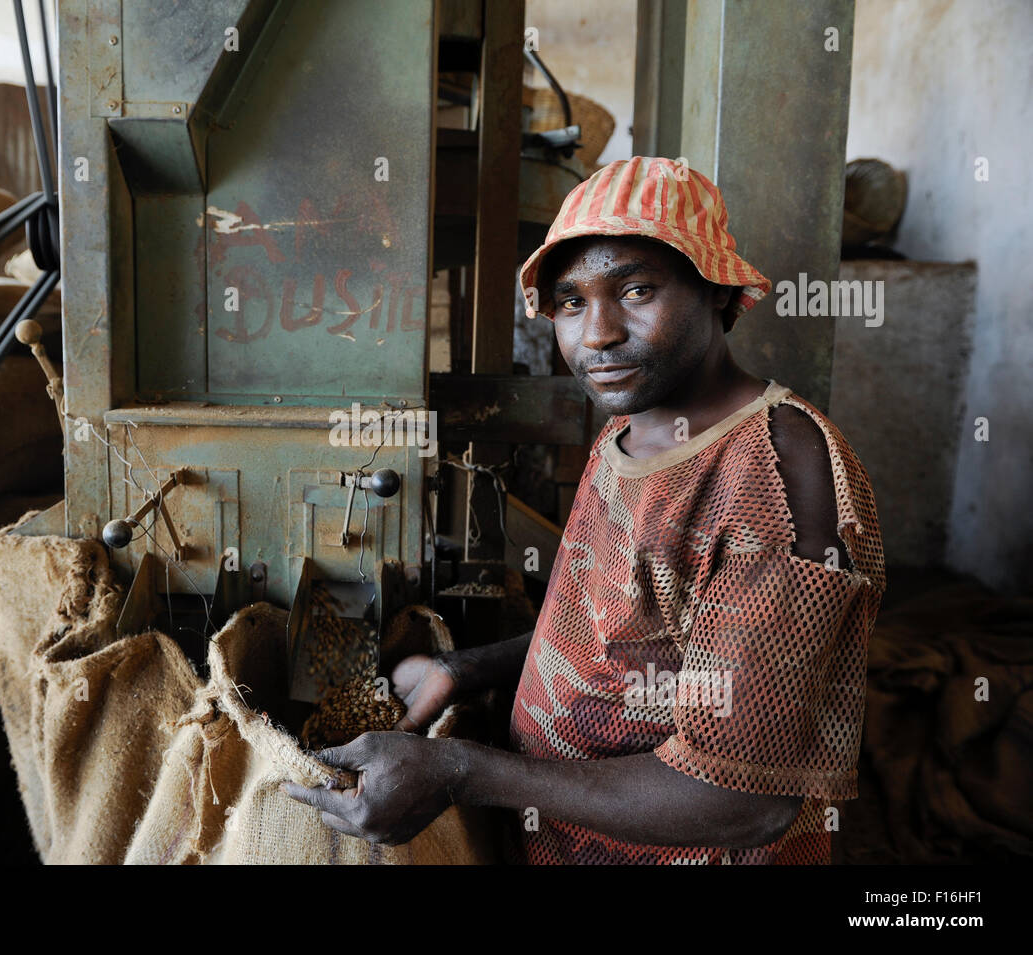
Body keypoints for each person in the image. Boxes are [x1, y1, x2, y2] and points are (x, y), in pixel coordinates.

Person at [284, 156, 886, 864]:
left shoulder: (778, 470)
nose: (596, 334)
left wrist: (459, 771)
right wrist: (463, 668)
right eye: (571, 302)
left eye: (635, 290)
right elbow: (624, 638)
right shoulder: (625, 434)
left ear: (718, 292)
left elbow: (743, 798)